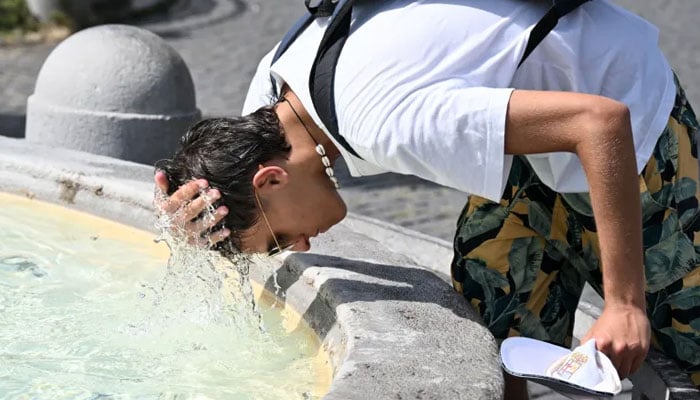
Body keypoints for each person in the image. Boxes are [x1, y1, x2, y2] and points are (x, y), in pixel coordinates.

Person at [154, 0, 700, 396]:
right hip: (528, 153)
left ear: (272, 180)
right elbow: (222, 172)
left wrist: (623, 303)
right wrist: (187, 222)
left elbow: (600, 124)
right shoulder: (276, 95)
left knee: (689, 348)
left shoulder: (384, 121)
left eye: (276, 241)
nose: (297, 245)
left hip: (633, 137)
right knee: (493, 338)